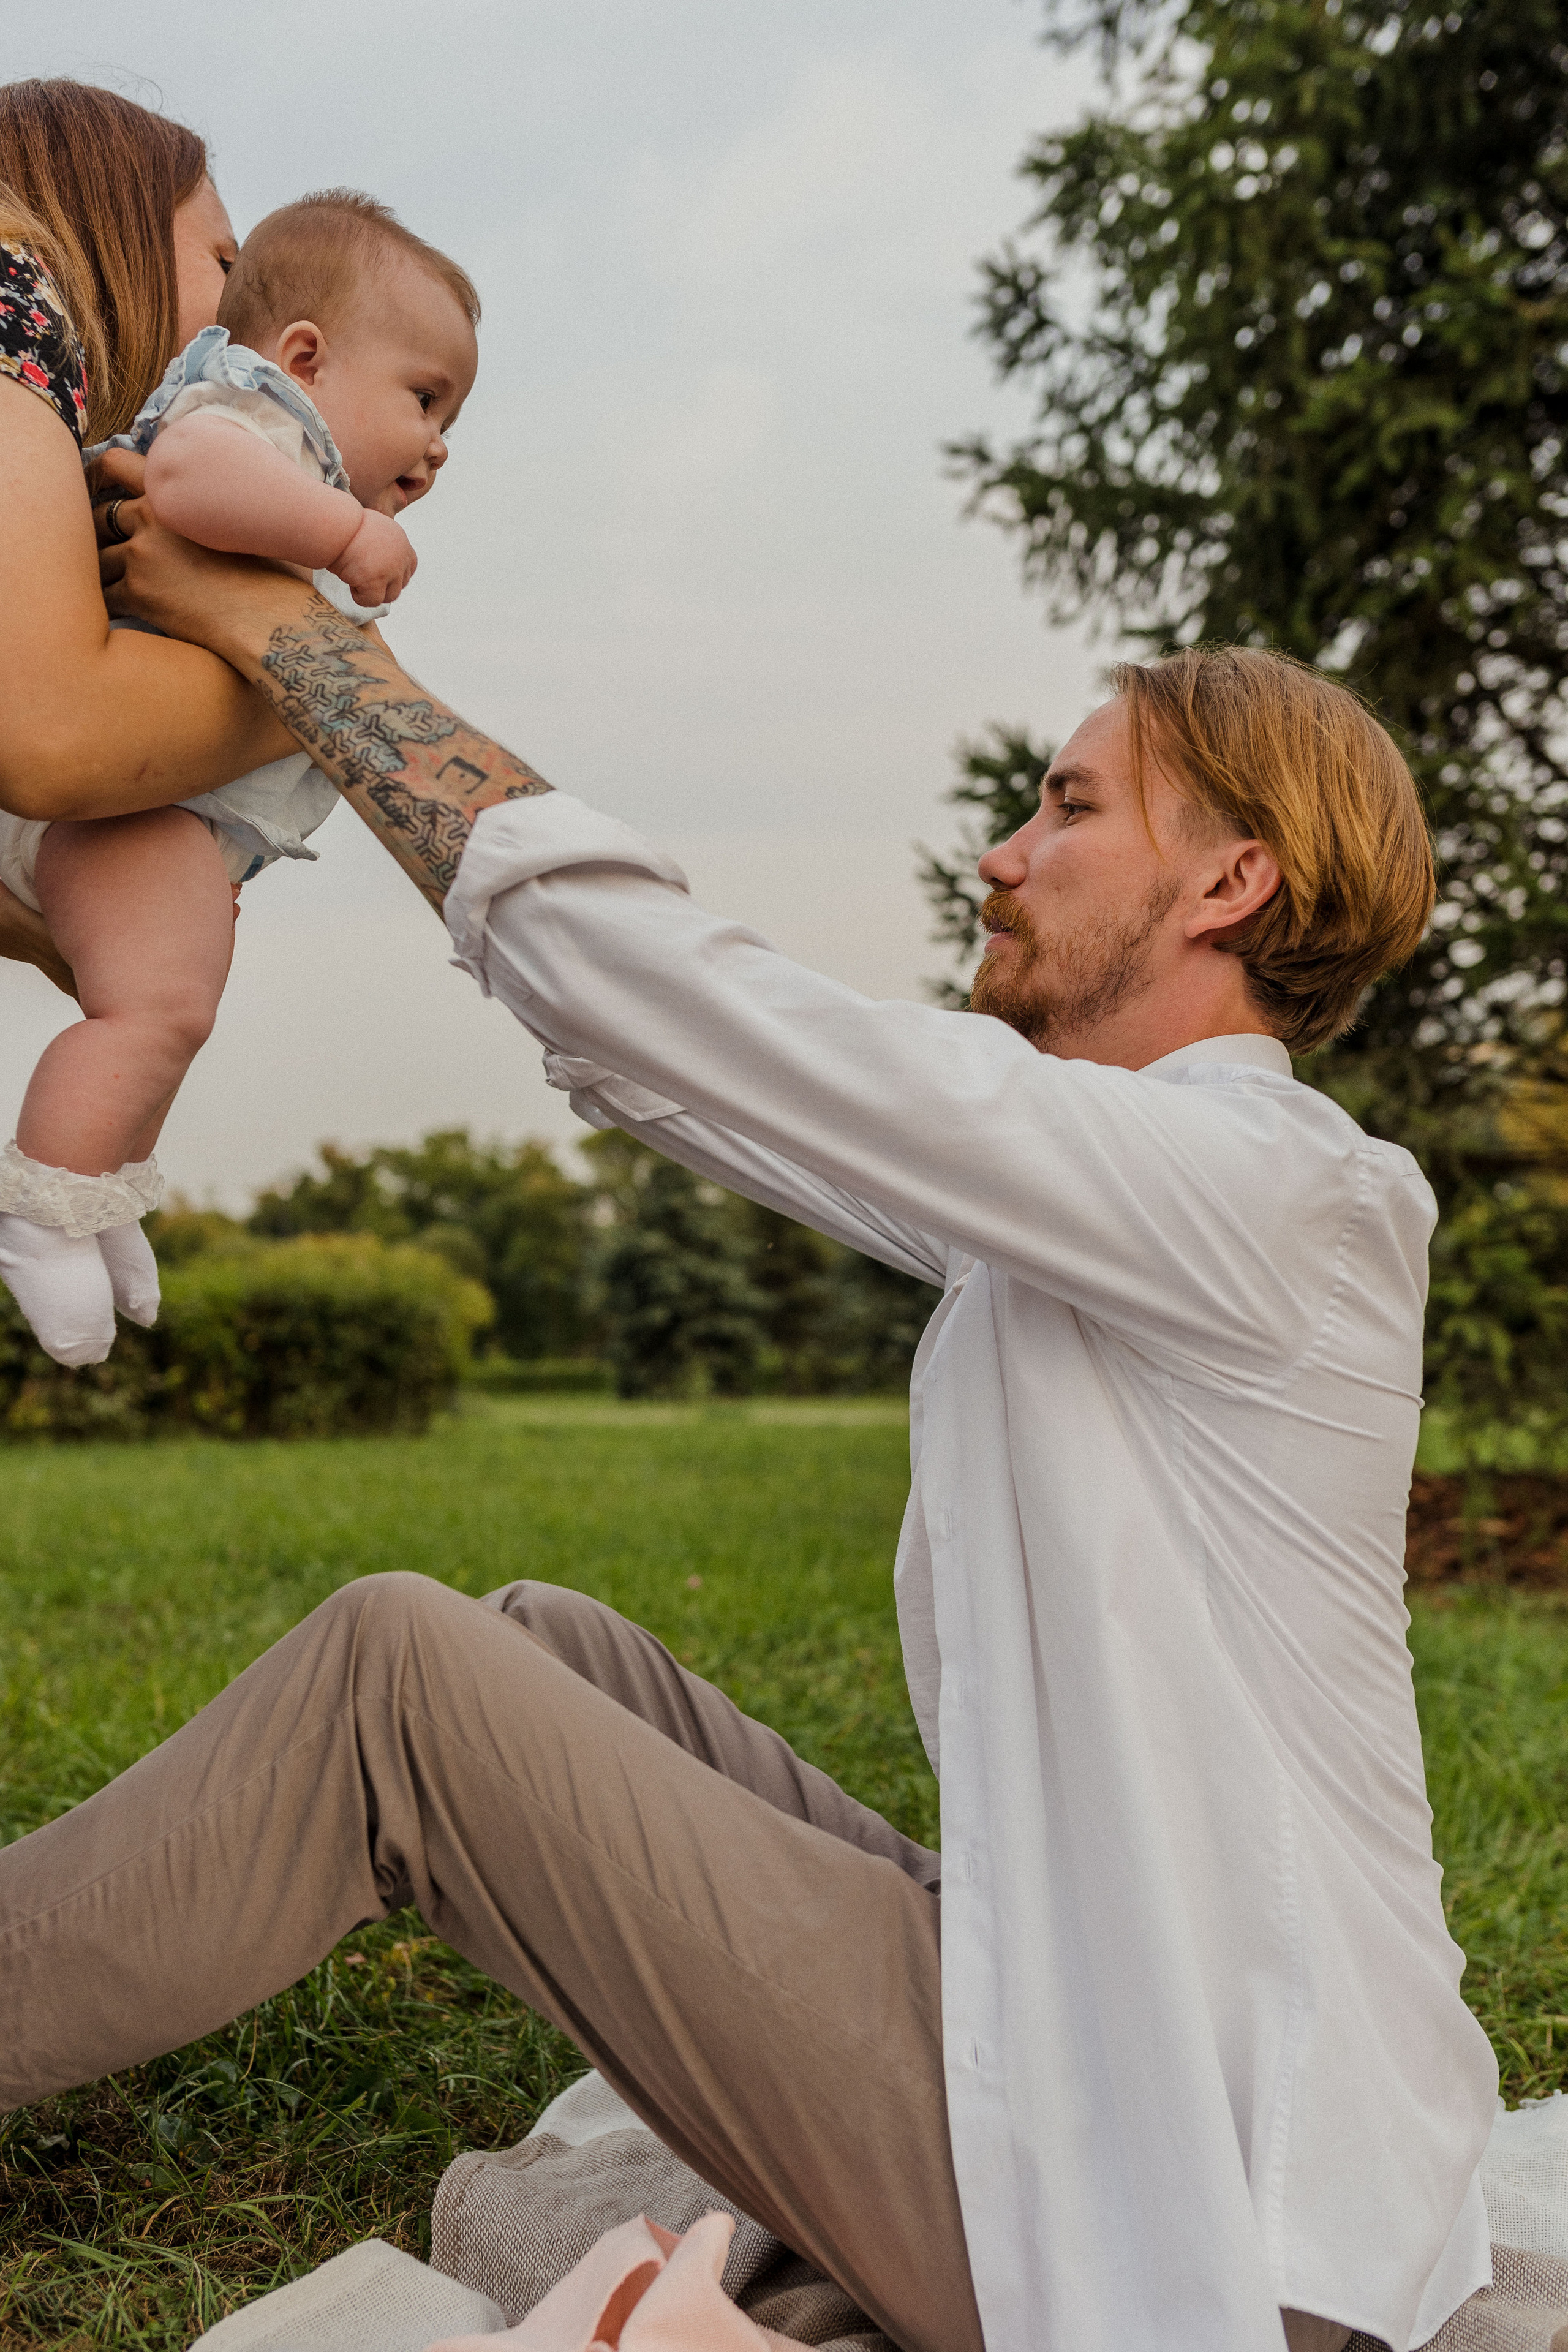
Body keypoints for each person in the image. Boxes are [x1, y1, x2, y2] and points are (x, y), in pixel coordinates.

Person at [4, 470, 1498, 2352]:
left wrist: (302, 645)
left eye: (1067, 807)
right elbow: (698, 1085)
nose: (1002, 855)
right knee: (538, 1644)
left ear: (1232, 880)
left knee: (400, 1680)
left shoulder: (1280, 1193)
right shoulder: (1116, 1198)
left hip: (1206, 2219)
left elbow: (700, 1021)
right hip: (1095, 2032)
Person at [0, 189, 478, 1368]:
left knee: (178, 1006)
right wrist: (345, 539)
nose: (439, 441)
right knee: (153, 1006)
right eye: (425, 397)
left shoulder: (300, 461)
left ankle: (95, 1193)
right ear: (308, 355)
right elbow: (193, 485)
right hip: (126, 806)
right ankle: (44, 1198)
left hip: (164, 814)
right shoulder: (249, 412)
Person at [0, 77, 312, 1328]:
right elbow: (54, 736)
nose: (244, 304)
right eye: (223, 257)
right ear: (112, 221)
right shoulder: (13, 296)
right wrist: (316, 679)